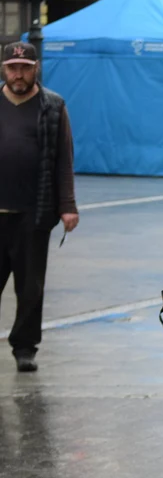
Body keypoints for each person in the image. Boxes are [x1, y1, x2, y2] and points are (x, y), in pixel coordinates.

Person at [0, 41, 78, 373]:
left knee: (31, 285)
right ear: (4, 69)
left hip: (35, 211)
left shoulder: (52, 106)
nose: (19, 74)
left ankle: (25, 347)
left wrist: (67, 205)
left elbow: (64, 158)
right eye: (12, 67)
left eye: (25, 67)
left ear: (36, 69)